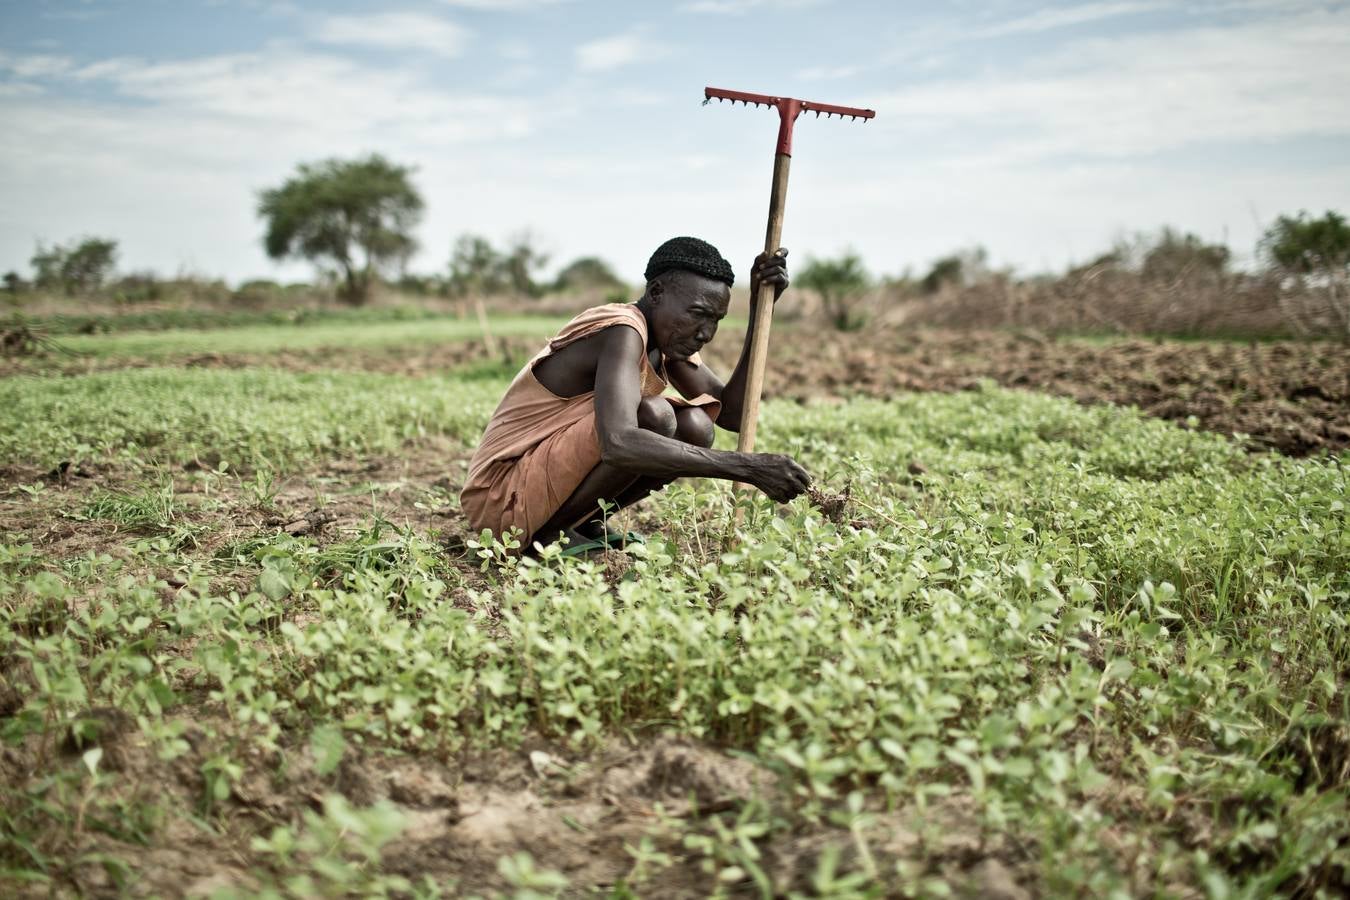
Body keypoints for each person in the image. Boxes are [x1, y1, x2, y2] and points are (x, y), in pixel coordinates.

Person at [460, 236, 812, 553]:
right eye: (698, 314)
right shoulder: (622, 329)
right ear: (656, 292)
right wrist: (746, 468)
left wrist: (759, 311)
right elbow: (619, 442)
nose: (707, 332)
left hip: (532, 487)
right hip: (501, 499)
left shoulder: (668, 341)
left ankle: (584, 523)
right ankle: (550, 536)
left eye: (716, 319)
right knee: (654, 417)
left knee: (697, 425)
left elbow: (732, 415)